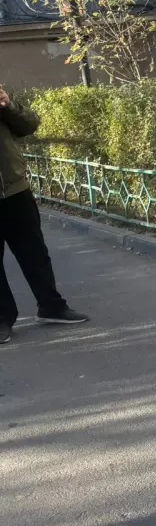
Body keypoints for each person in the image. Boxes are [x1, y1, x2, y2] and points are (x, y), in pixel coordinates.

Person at [0, 86, 89, 345]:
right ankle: (2, 319)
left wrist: (9, 106)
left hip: (16, 191)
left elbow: (29, 125)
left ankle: (51, 306)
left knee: (35, 253)